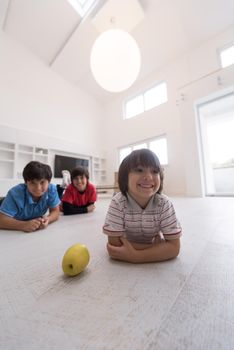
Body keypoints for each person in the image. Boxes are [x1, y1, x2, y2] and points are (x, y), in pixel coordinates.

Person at [103, 149, 182, 263]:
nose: (149, 177)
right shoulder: (118, 203)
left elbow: (174, 248)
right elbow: (114, 245)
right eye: (139, 170)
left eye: (155, 171)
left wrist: (137, 256)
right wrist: (158, 249)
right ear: (125, 177)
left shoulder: (164, 204)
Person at [0, 161, 60, 233]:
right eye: (32, 182)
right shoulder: (15, 193)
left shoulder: (51, 189)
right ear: (26, 182)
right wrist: (23, 225)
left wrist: (48, 219)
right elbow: (1, 220)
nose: (38, 188)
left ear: (49, 182)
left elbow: (55, 211)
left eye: (42, 182)